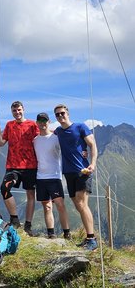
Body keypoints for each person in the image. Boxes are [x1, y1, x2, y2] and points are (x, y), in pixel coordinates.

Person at [54, 103, 98, 251]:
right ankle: (89, 238)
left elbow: (92, 145)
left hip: (83, 171)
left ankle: (92, 239)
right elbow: (44, 130)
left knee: (81, 204)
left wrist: (92, 163)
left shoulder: (80, 127)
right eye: (57, 114)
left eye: (62, 113)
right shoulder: (58, 131)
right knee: (78, 205)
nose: (60, 116)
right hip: (68, 173)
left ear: (68, 113)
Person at [0, 101, 39, 236]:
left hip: (30, 165)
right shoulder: (9, 125)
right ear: (12, 112)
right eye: (14, 111)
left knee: (31, 195)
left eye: (19, 110)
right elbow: (2, 143)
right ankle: (14, 219)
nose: (17, 113)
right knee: (4, 188)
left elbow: (41, 138)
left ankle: (28, 225)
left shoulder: (32, 124)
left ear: (23, 110)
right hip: (13, 166)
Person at [33, 112, 70, 239]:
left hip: (54, 177)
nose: (42, 123)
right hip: (40, 178)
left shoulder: (56, 138)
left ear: (49, 122)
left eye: (45, 121)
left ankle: (66, 233)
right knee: (47, 207)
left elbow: (67, 149)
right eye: (40, 121)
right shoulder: (35, 140)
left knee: (60, 205)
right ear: (37, 123)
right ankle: (51, 234)